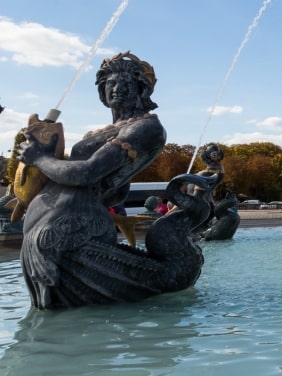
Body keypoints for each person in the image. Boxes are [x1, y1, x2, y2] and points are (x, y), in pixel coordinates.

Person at [15, 51, 168, 308]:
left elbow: (87, 172)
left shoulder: (145, 128)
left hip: (72, 229)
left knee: (66, 318)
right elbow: (116, 191)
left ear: (142, 89)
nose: (116, 89)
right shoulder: (98, 132)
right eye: (110, 84)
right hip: (51, 226)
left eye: (125, 83)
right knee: (52, 316)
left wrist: (40, 159)